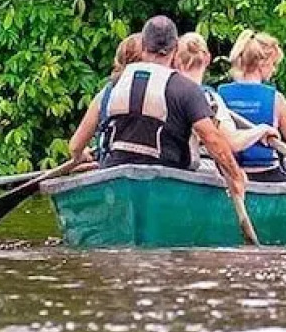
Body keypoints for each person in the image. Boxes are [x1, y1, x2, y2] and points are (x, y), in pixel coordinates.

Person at [68, 16, 246, 198]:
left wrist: (82, 155)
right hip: (167, 186)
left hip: (115, 183)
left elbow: (75, 146)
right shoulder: (188, 90)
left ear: (144, 46)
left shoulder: (111, 88)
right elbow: (213, 140)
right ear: (175, 49)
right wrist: (235, 176)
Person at [213, 30, 286, 183]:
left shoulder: (220, 93)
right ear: (262, 64)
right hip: (265, 174)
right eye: (273, 64)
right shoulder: (276, 98)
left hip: (229, 173)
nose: (274, 70)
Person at [66, 33, 143, 162]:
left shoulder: (105, 95)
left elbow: (75, 147)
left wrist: (82, 155)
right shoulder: (163, 90)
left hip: (112, 165)